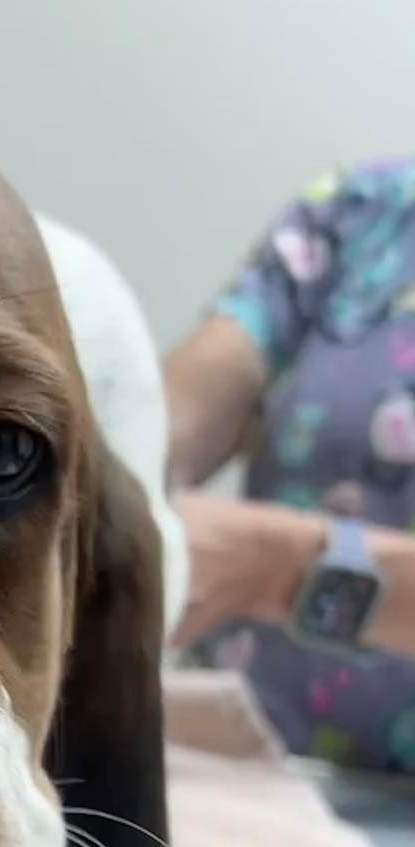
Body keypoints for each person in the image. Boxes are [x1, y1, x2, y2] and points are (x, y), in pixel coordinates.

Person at [165, 160, 415, 773]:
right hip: (233, 765)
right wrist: (114, 474)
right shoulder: (367, 212)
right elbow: (192, 401)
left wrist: (278, 567)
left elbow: (265, 561)